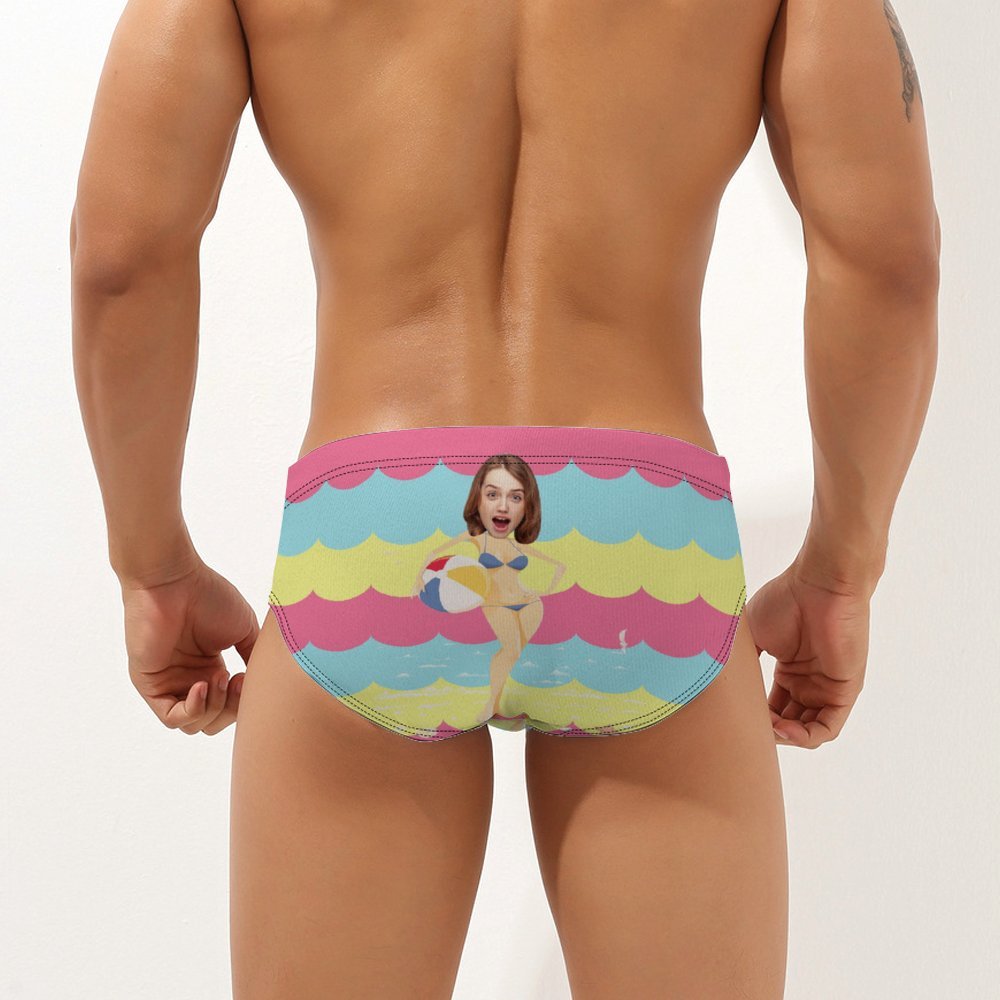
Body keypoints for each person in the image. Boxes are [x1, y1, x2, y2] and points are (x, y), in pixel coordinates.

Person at [69, 0, 939, 995]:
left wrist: (154, 566)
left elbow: (121, 257)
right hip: (647, 538)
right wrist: (839, 571)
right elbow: (890, 263)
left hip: (372, 533)